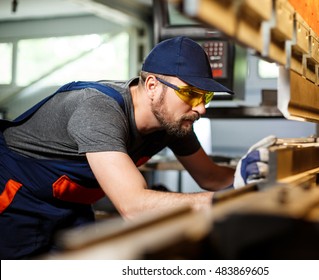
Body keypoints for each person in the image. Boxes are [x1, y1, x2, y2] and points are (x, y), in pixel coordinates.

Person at [0, 36, 271, 259]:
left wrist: (255, 178)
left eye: (206, 97)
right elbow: (134, 206)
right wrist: (232, 203)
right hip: (16, 202)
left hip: (71, 207)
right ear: (153, 85)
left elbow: (211, 177)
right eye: (191, 93)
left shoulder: (174, 122)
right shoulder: (98, 109)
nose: (200, 108)